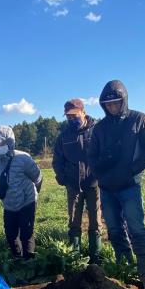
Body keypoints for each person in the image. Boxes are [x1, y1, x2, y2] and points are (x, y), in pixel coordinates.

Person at [87, 80, 145, 289]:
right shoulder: (100, 128)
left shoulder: (139, 119)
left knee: (136, 227)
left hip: (129, 184)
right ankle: (125, 267)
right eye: (108, 104)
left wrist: (131, 169)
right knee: (115, 228)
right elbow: (92, 156)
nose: (112, 107)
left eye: (116, 103)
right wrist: (101, 170)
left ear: (124, 101)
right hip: (107, 187)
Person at [52, 98, 102, 264]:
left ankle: (96, 259)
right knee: (74, 221)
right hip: (73, 185)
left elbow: (104, 154)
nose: (72, 119)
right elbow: (57, 160)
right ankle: (75, 258)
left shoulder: (96, 131)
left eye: (74, 115)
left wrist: (101, 175)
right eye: (68, 117)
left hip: (93, 183)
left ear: (83, 112)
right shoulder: (64, 137)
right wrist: (62, 177)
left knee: (95, 221)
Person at [0, 126, 42, 259]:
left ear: (10, 142)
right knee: (11, 234)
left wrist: (32, 194)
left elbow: (37, 177)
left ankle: (30, 261)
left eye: (2, 143)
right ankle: (17, 259)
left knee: (26, 233)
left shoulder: (23, 158)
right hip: (9, 204)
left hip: (27, 201)